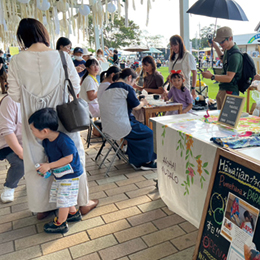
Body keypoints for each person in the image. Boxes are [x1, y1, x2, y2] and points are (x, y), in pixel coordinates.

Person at [7, 18, 98, 220]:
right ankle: (81, 202)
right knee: (72, 155)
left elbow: (14, 95)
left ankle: (44, 207)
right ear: (43, 33)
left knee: (37, 161)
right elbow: (76, 89)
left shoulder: (16, 61)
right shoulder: (62, 57)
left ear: (22, 37)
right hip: (62, 119)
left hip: (34, 122)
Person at [29, 108, 83, 233]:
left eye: (33, 130)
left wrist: (50, 165)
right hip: (61, 174)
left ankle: (61, 223)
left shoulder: (63, 140)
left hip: (70, 174)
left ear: (44, 131)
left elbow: (69, 158)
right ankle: (73, 214)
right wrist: (47, 167)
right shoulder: (47, 141)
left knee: (63, 200)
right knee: (65, 196)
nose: (32, 132)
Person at [99, 68, 157, 170]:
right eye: (134, 82)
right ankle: (146, 162)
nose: (133, 85)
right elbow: (137, 107)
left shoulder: (108, 89)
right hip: (121, 126)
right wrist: (143, 102)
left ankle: (136, 159)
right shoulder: (126, 88)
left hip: (107, 127)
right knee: (148, 132)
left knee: (139, 128)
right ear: (130, 78)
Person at [202, 26, 243, 109]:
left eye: (222, 42)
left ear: (230, 38)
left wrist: (212, 76)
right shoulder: (228, 51)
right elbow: (222, 59)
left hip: (230, 91)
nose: (220, 44)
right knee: (220, 117)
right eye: (219, 42)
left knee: (227, 119)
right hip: (224, 89)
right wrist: (215, 46)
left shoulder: (235, 55)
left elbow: (229, 78)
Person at [0, 95, 24, 203]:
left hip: (28, 141)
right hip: (7, 143)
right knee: (20, 163)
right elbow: (7, 131)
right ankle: (9, 187)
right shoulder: (10, 101)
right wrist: (20, 152)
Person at [168, 35, 197, 99]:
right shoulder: (172, 57)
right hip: (173, 90)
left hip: (184, 90)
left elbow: (194, 72)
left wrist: (193, 88)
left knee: (184, 107)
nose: (173, 47)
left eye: (175, 45)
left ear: (180, 44)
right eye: (171, 45)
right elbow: (170, 73)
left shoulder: (188, 56)